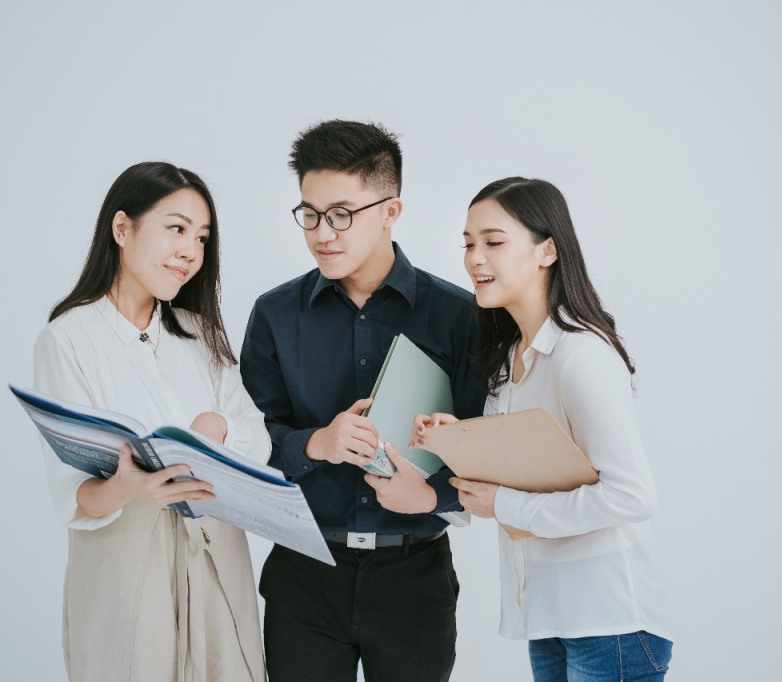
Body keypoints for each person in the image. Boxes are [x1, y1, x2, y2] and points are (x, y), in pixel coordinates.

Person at [239, 120, 484, 682]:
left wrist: (428, 495)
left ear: (390, 211)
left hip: (414, 578)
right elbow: (247, 440)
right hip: (305, 573)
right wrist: (316, 444)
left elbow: (484, 447)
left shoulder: (458, 316)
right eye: (310, 213)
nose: (323, 233)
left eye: (342, 214)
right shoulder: (275, 315)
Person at [411, 177, 673, 681]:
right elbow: (527, 468)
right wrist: (457, 436)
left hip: (611, 624)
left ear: (547, 250)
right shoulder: (510, 361)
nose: (474, 259)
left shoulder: (581, 356)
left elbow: (632, 496)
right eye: (468, 244)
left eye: (493, 241)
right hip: (551, 620)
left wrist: (504, 505)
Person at [33, 161, 268, 682]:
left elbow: (260, 439)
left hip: (215, 553)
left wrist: (219, 429)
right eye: (177, 228)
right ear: (122, 229)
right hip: (126, 566)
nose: (191, 251)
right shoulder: (68, 339)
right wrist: (129, 487)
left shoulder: (200, 332)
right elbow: (73, 496)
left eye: (202, 237)